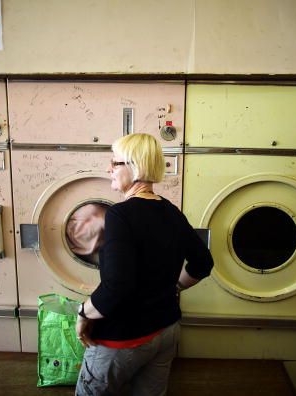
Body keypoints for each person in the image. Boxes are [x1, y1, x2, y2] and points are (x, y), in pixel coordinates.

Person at [75, 133, 213, 396]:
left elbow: (116, 289)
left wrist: (82, 313)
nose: (109, 169)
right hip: (165, 332)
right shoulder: (172, 211)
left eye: (114, 163)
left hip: (125, 337)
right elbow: (203, 263)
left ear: (134, 167)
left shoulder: (119, 215)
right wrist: (173, 287)